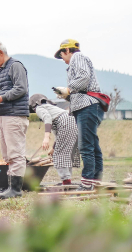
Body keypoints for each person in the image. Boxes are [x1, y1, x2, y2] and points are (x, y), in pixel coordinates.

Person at [55, 39, 104, 191]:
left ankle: (87, 182)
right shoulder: (75, 62)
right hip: (87, 105)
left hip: (87, 106)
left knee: (86, 146)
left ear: (68, 51)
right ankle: (95, 180)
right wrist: (67, 95)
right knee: (92, 145)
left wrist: (68, 89)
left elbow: (84, 78)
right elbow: (82, 85)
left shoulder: (78, 57)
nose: (62, 59)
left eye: (62, 55)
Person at [0, 41, 29, 199]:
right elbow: (4, 94)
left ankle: (16, 189)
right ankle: (11, 186)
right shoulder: (1, 72)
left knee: (16, 153)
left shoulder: (15, 66)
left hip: (14, 115)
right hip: (4, 115)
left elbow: (21, 88)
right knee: (7, 154)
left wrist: (1, 97)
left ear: (0, 53)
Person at [29, 93, 80, 186]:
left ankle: (66, 181)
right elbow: (59, 134)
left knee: (59, 155)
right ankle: (67, 180)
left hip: (66, 124)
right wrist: (53, 147)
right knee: (67, 154)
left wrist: (46, 137)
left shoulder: (39, 108)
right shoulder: (52, 108)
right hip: (75, 122)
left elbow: (47, 118)